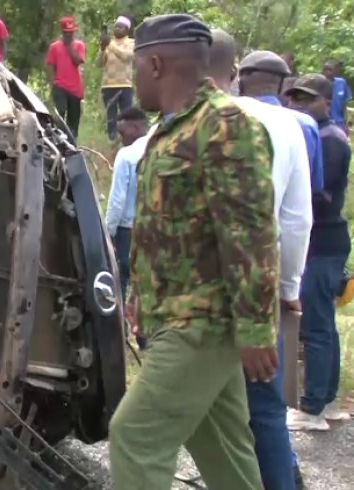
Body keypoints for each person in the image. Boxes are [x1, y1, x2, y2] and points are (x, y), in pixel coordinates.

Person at [109, 15, 277, 489]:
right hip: (176, 318)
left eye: (136, 65)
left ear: (155, 63)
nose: (131, 77)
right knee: (223, 452)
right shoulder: (171, 129)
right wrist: (142, 300)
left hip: (203, 322)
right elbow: (161, 231)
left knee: (134, 437)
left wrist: (256, 326)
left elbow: (251, 231)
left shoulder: (225, 124)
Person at [210, 35, 313, 490]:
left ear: (239, 80)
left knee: (205, 408)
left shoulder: (191, 120)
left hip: (198, 289)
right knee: (265, 408)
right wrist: (289, 289)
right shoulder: (293, 126)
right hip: (261, 285)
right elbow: (297, 220)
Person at [285, 73, 352, 431]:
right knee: (322, 323)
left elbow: (317, 195)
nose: (297, 103)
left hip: (324, 241)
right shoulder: (315, 133)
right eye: (293, 96)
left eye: (306, 97)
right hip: (322, 241)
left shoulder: (329, 138)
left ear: (327, 101)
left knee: (316, 326)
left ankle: (313, 407)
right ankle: (324, 400)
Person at [105, 107, 149, 351]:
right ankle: (145, 339)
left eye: (123, 133)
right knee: (144, 284)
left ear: (135, 127)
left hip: (126, 230)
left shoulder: (127, 154)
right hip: (152, 228)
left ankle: (118, 333)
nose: (122, 138)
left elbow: (117, 200)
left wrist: (108, 231)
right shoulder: (162, 145)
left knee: (119, 280)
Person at [46, 17, 85, 139]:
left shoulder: (79, 45)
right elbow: (51, 67)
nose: (69, 35)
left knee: (74, 120)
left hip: (75, 89)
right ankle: (58, 140)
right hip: (60, 86)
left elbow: (78, 61)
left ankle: (72, 143)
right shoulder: (54, 47)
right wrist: (53, 84)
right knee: (60, 114)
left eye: (71, 32)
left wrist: (69, 47)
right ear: (62, 32)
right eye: (67, 32)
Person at [99, 16, 135, 141]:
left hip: (125, 85)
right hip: (108, 85)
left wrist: (110, 45)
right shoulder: (109, 42)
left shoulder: (131, 42)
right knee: (111, 117)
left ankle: (128, 140)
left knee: (127, 115)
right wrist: (103, 49)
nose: (117, 29)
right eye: (116, 26)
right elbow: (100, 63)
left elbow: (126, 56)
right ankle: (113, 141)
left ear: (127, 30)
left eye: (120, 27)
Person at [322, 60, 351, 134]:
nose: (328, 72)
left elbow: (344, 104)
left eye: (330, 69)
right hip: (324, 123)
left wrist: (345, 124)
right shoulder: (319, 84)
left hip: (339, 123)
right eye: (326, 69)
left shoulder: (341, 83)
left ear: (335, 71)